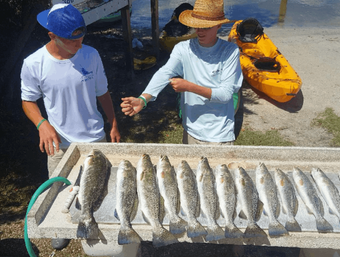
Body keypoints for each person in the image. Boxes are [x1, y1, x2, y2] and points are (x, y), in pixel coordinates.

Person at [20, 3, 120, 250]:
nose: (79, 44)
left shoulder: (91, 55)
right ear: (52, 36)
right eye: (71, 40)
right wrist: (41, 123)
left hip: (94, 139)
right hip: (60, 145)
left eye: (81, 37)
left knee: (102, 189)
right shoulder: (34, 63)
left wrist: (114, 123)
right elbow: (28, 100)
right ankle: (62, 229)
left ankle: (100, 224)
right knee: (58, 190)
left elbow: (103, 92)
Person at [121, 0, 243, 145]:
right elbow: (165, 73)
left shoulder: (230, 52)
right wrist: (143, 99)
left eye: (206, 27)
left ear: (218, 25)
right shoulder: (183, 48)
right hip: (190, 130)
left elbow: (225, 95)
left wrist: (189, 87)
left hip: (219, 134)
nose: (200, 31)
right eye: (197, 25)